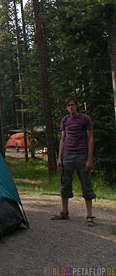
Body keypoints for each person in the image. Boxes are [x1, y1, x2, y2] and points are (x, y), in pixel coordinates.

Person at [51, 97, 96, 226]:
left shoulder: (85, 119)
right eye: (68, 106)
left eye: (72, 105)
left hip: (81, 155)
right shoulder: (65, 120)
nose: (71, 107)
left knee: (86, 184)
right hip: (67, 155)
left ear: (76, 106)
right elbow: (62, 140)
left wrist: (89, 159)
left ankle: (89, 215)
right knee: (64, 183)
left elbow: (90, 139)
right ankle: (64, 212)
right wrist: (59, 158)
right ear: (66, 108)